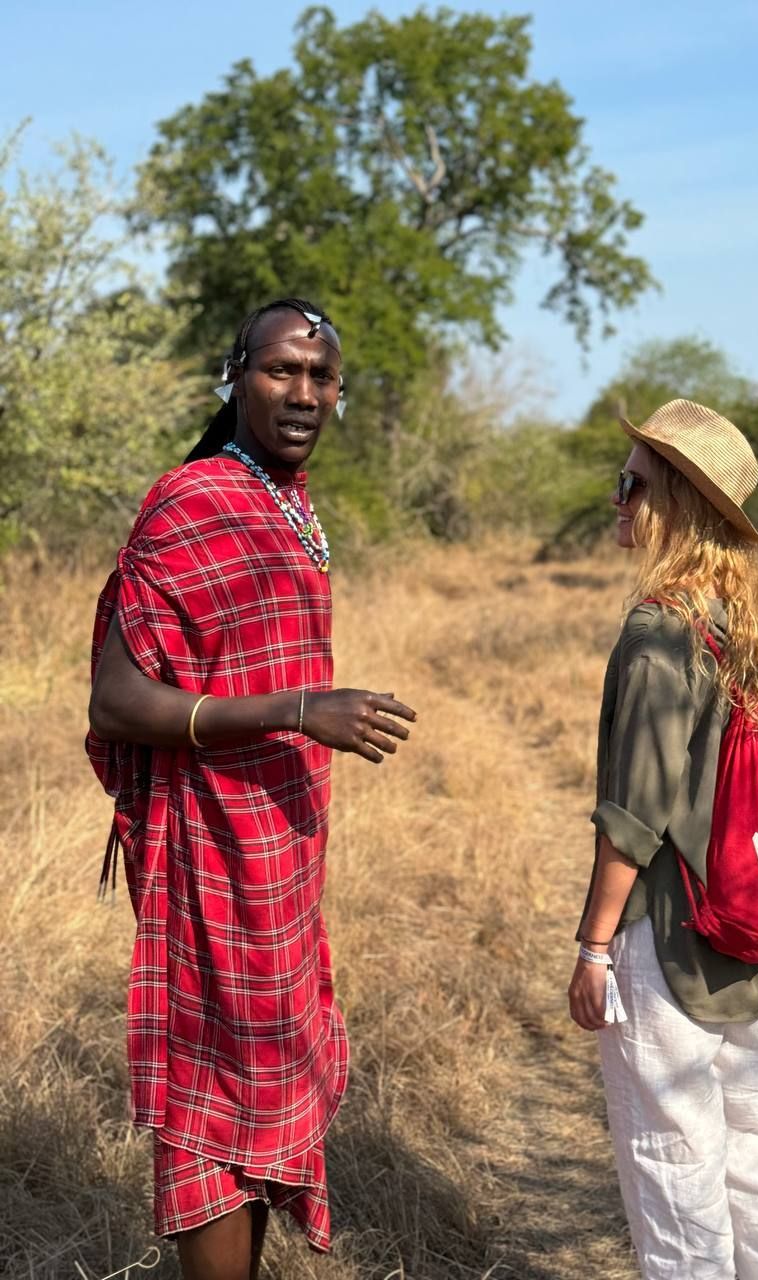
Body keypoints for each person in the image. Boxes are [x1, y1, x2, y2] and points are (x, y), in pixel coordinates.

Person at [87, 298, 416, 1280]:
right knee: (209, 1105)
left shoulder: (292, 501)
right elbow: (115, 698)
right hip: (207, 852)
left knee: (263, 1089)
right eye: (280, 370)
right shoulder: (193, 498)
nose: (304, 391)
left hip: (280, 853)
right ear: (233, 375)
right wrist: (294, 709)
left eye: (322, 376)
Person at [568, 400, 758, 1279]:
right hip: (754, 922)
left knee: (673, 1170)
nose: (618, 500)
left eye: (631, 483)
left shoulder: (658, 630)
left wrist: (593, 947)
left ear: (674, 500)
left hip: (669, 934)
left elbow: (633, 819)